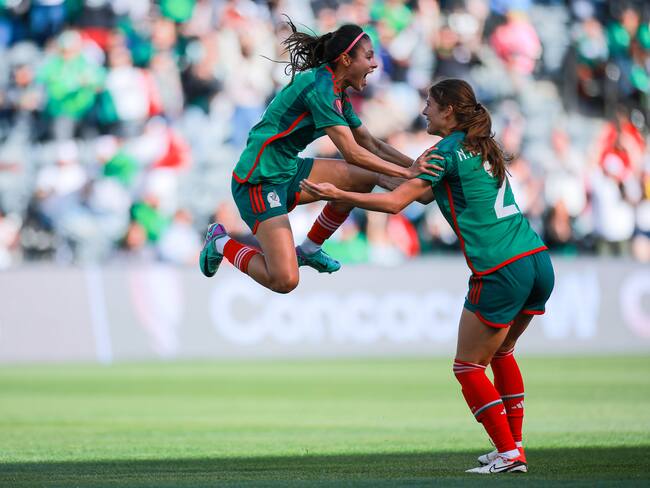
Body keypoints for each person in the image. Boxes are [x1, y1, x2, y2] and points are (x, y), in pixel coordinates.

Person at [300, 78, 554, 474]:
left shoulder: (446, 152)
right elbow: (416, 182)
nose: (423, 111)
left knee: (468, 367)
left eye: (430, 104)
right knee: (502, 352)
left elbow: (397, 201)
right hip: (536, 260)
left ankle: (509, 454)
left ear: (448, 110)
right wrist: (366, 141)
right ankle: (513, 446)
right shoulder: (479, 144)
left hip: (500, 267)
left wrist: (339, 194)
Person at [199, 21, 439, 293]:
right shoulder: (319, 89)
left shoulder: (335, 90)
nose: (374, 65)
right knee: (285, 280)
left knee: (365, 179)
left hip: (288, 170)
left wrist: (416, 168)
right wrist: (408, 174)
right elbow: (352, 152)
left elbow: (371, 143)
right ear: (346, 59)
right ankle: (220, 242)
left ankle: (310, 249)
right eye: (369, 56)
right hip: (258, 181)